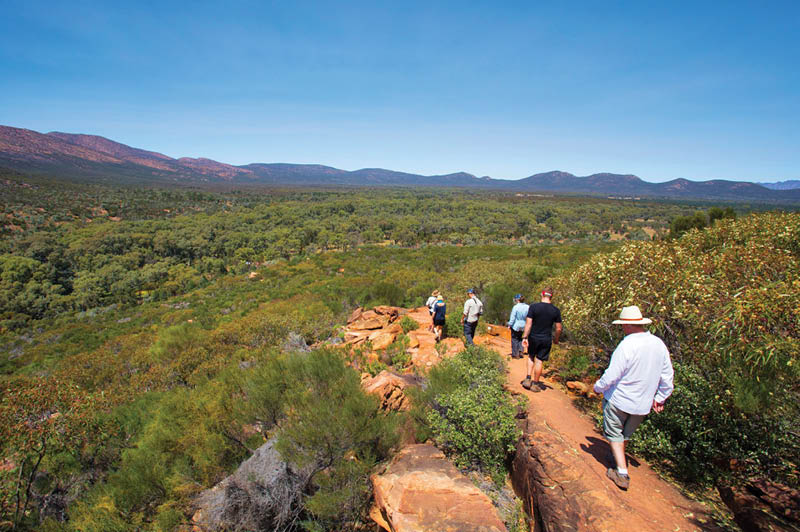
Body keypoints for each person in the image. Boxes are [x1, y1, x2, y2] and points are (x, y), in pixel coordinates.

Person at [593, 306, 674, 490]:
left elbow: (613, 373)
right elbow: (667, 374)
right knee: (625, 433)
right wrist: (660, 397)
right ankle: (617, 456)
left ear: (627, 325)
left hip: (619, 398)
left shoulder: (627, 344)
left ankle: (621, 472)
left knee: (614, 432)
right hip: (643, 403)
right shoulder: (658, 344)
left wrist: (599, 387)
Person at [521, 288, 562, 392]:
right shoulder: (556, 310)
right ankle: (535, 383)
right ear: (551, 296)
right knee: (539, 360)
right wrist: (556, 339)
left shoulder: (534, 307)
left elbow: (528, 323)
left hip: (534, 337)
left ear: (542, 294)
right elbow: (558, 328)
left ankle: (528, 379)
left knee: (531, 357)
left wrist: (525, 337)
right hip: (546, 339)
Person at [507, 294, 529, 359]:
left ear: (517, 300)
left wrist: (509, 324)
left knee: (514, 339)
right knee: (521, 338)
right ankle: (521, 351)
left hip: (516, 325)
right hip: (524, 325)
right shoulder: (528, 307)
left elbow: (512, 318)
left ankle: (515, 354)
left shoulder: (515, 307)